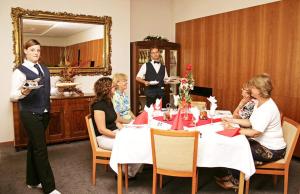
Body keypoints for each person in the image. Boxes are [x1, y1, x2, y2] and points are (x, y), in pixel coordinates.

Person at [217, 73, 287, 189]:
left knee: (238, 149)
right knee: (233, 144)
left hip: (272, 149)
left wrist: (235, 130)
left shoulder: (268, 108)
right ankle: (234, 175)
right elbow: (250, 122)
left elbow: (256, 132)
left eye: (253, 87)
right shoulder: (259, 102)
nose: (250, 89)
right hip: (262, 143)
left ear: (260, 90)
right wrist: (231, 120)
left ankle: (236, 181)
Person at [10, 39, 60, 194]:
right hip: (29, 113)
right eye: (32, 50)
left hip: (44, 112)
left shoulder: (44, 69)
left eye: (38, 50)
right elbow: (13, 96)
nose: (36, 53)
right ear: (25, 51)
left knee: (33, 147)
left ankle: (32, 181)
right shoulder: (19, 71)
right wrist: (24, 91)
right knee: (40, 149)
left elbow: (47, 90)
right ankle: (49, 187)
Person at [90, 77, 141, 177]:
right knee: (132, 145)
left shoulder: (109, 101)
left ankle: (129, 171)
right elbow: (102, 130)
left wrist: (126, 129)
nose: (115, 88)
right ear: (106, 89)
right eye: (113, 86)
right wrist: (119, 136)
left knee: (138, 139)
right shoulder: (98, 105)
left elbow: (115, 121)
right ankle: (125, 173)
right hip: (103, 138)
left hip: (113, 133)